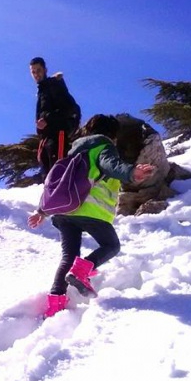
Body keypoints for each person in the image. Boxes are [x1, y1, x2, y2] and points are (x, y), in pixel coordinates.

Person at [27, 114, 155, 318]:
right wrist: (131, 172)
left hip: (63, 212)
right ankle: (81, 272)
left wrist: (42, 211)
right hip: (90, 210)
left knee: (68, 257)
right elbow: (112, 165)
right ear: (112, 135)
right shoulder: (103, 147)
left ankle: (55, 305)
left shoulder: (71, 153)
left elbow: (56, 185)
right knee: (111, 246)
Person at [29, 57, 82, 181]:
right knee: (47, 175)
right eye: (33, 72)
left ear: (45, 70)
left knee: (58, 172)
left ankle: (62, 194)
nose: (36, 74)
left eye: (38, 70)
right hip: (46, 137)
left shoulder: (54, 86)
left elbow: (71, 108)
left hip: (58, 135)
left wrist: (47, 120)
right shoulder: (42, 90)